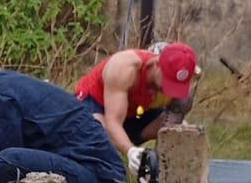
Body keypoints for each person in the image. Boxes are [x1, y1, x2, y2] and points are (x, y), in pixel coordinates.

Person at [74, 41, 200, 175]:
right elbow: (113, 122)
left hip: (133, 112)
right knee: (100, 132)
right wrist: (131, 151)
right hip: (96, 106)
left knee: (182, 132)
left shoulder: (171, 83)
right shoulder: (124, 67)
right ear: (157, 64)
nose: (169, 91)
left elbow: (172, 120)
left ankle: (165, 182)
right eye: (168, 82)